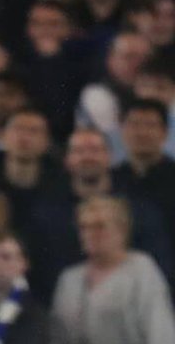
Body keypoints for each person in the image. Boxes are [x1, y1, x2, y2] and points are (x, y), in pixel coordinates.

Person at [51, 196, 175, 344]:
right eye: (85, 227)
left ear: (121, 230)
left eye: (100, 226)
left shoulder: (141, 270)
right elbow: (58, 335)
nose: (90, 233)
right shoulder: (70, 279)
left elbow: (160, 332)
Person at [28, 126, 174, 302]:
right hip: (64, 305)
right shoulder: (46, 212)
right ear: (67, 159)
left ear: (110, 157)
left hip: (130, 304)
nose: (87, 157)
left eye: (95, 150)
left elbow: (160, 266)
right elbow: (40, 271)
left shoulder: (139, 208)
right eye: (79, 151)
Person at [0, 108, 66, 234]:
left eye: (33, 131)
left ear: (46, 142)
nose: (24, 137)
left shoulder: (60, 187)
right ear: (2, 136)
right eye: (18, 129)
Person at [77, 29, 153, 162]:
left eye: (144, 58)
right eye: (129, 57)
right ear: (111, 60)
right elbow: (116, 148)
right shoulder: (95, 95)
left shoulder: (162, 92)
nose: (138, 64)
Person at [20, 0, 88, 143]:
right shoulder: (17, 64)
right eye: (37, 24)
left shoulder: (83, 67)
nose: (45, 30)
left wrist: (51, 61)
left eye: (53, 24)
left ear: (69, 29)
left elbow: (62, 115)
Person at [112, 98, 175, 242]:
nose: (142, 132)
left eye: (150, 125)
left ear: (165, 132)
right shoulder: (111, 179)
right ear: (122, 130)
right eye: (134, 124)